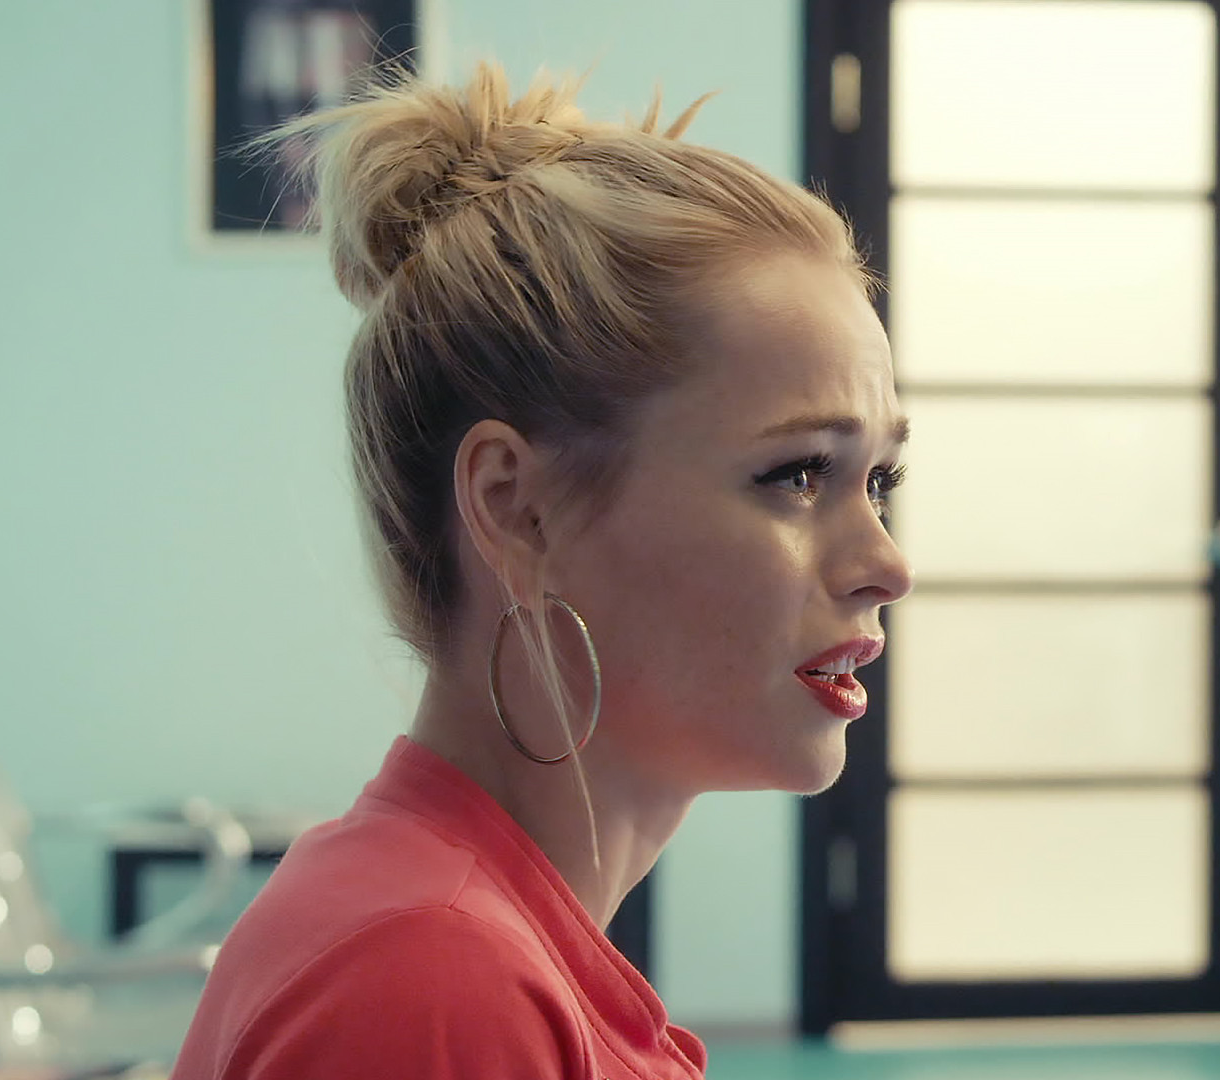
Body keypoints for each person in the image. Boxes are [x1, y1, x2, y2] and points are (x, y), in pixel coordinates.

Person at [171, 60, 912, 1079]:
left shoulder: (463, 941)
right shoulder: (433, 985)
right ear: (515, 507)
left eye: (881, 479)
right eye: (797, 474)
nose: (885, 565)